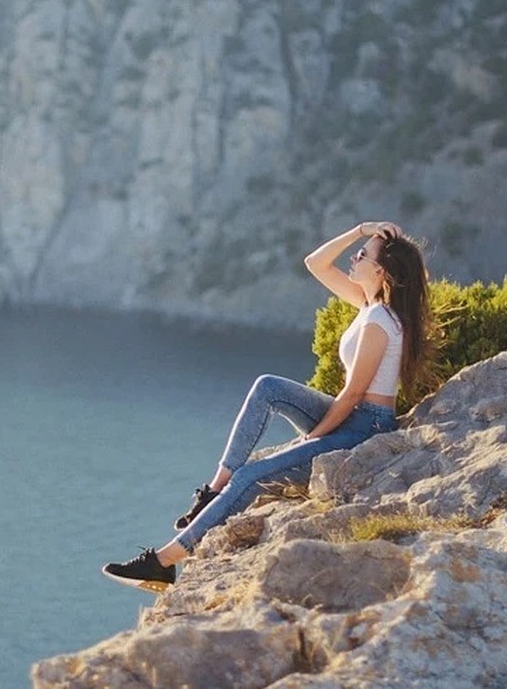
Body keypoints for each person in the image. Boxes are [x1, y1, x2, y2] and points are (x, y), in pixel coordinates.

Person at [102, 221, 433, 590]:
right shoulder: (368, 305)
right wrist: (361, 230)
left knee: (251, 476)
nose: (354, 258)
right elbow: (315, 263)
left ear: (381, 271)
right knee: (268, 387)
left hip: (365, 427)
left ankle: (163, 562)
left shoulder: (381, 321)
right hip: (352, 417)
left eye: (362, 255)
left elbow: (354, 394)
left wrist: (313, 439)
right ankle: (213, 491)